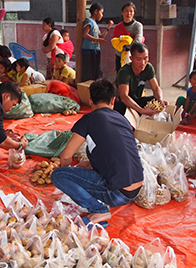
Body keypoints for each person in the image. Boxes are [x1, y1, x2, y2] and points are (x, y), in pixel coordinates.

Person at [51, 78, 143, 227]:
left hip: (118, 194)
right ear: (113, 100)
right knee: (87, 158)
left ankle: (98, 209)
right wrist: (88, 164)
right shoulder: (123, 119)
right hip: (136, 188)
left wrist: (69, 179)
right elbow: (116, 152)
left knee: (58, 175)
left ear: (90, 100)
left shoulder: (88, 120)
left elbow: (66, 156)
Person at [113, 42, 166, 116]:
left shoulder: (148, 68)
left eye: (145, 58)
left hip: (136, 100)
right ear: (131, 59)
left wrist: (160, 100)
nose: (143, 63)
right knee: (120, 105)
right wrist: (142, 111)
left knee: (155, 100)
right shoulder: (124, 72)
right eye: (139, 59)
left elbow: (156, 88)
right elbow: (124, 96)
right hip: (122, 103)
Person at [82, 3, 114, 81]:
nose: (102, 15)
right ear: (96, 11)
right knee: (89, 71)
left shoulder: (95, 23)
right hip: (88, 49)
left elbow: (101, 36)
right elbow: (85, 34)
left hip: (95, 50)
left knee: (96, 70)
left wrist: (108, 27)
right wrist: (97, 40)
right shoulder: (89, 21)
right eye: (101, 13)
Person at [112, 2, 143, 72]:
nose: (128, 13)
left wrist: (125, 46)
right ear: (122, 13)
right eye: (126, 11)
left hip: (134, 56)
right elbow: (115, 43)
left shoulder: (138, 26)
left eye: (131, 11)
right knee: (121, 77)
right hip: (120, 56)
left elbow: (138, 40)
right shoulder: (117, 27)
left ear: (134, 13)